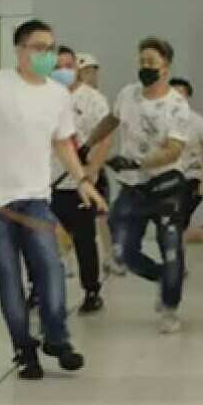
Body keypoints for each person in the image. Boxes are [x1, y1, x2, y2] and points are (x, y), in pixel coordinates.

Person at [0, 19, 103, 380]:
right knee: (8, 278)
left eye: (51, 47)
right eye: (38, 47)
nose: (46, 54)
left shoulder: (57, 94)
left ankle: (56, 339)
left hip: (35, 197)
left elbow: (63, 142)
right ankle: (24, 349)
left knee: (50, 269)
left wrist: (82, 179)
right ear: (19, 50)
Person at [85, 37, 192, 334]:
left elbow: (173, 149)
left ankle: (170, 307)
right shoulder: (128, 94)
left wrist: (139, 163)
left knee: (171, 249)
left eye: (151, 63)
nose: (145, 67)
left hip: (166, 186)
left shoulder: (176, 105)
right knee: (122, 251)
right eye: (142, 61)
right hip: (132, 190)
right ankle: (163, 277)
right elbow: (111, 120)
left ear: (165, 67)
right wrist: (88, 144)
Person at [48, 47, 110, 315]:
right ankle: (39, 291)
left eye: (68, 65)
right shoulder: (44, 97)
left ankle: (91, 290)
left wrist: (92, 170)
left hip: (80, 182)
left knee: (84, 238)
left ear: (77, 68)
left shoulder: (94, 100)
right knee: (41, 239)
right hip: (46, 181)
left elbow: (105, 137)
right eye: (58, 66)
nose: (63, 71)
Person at [75, 52, 120, 276]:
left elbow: (105, 134)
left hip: (93, 164)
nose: (92, 75)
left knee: (102, 213)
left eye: (94, 70)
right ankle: (62, 259)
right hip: (69, 166)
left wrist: (95, 164)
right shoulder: (64, 96)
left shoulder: (96, 99)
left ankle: (110, 257)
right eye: (87, 70)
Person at [170, 78, 203, 232]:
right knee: (173, 224)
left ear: (188, 97)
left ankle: (177, 254)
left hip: (191, 177)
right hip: (167, 177)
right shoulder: (160, 120)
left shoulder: (200, 124)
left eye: (181, 95)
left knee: (178, 221)